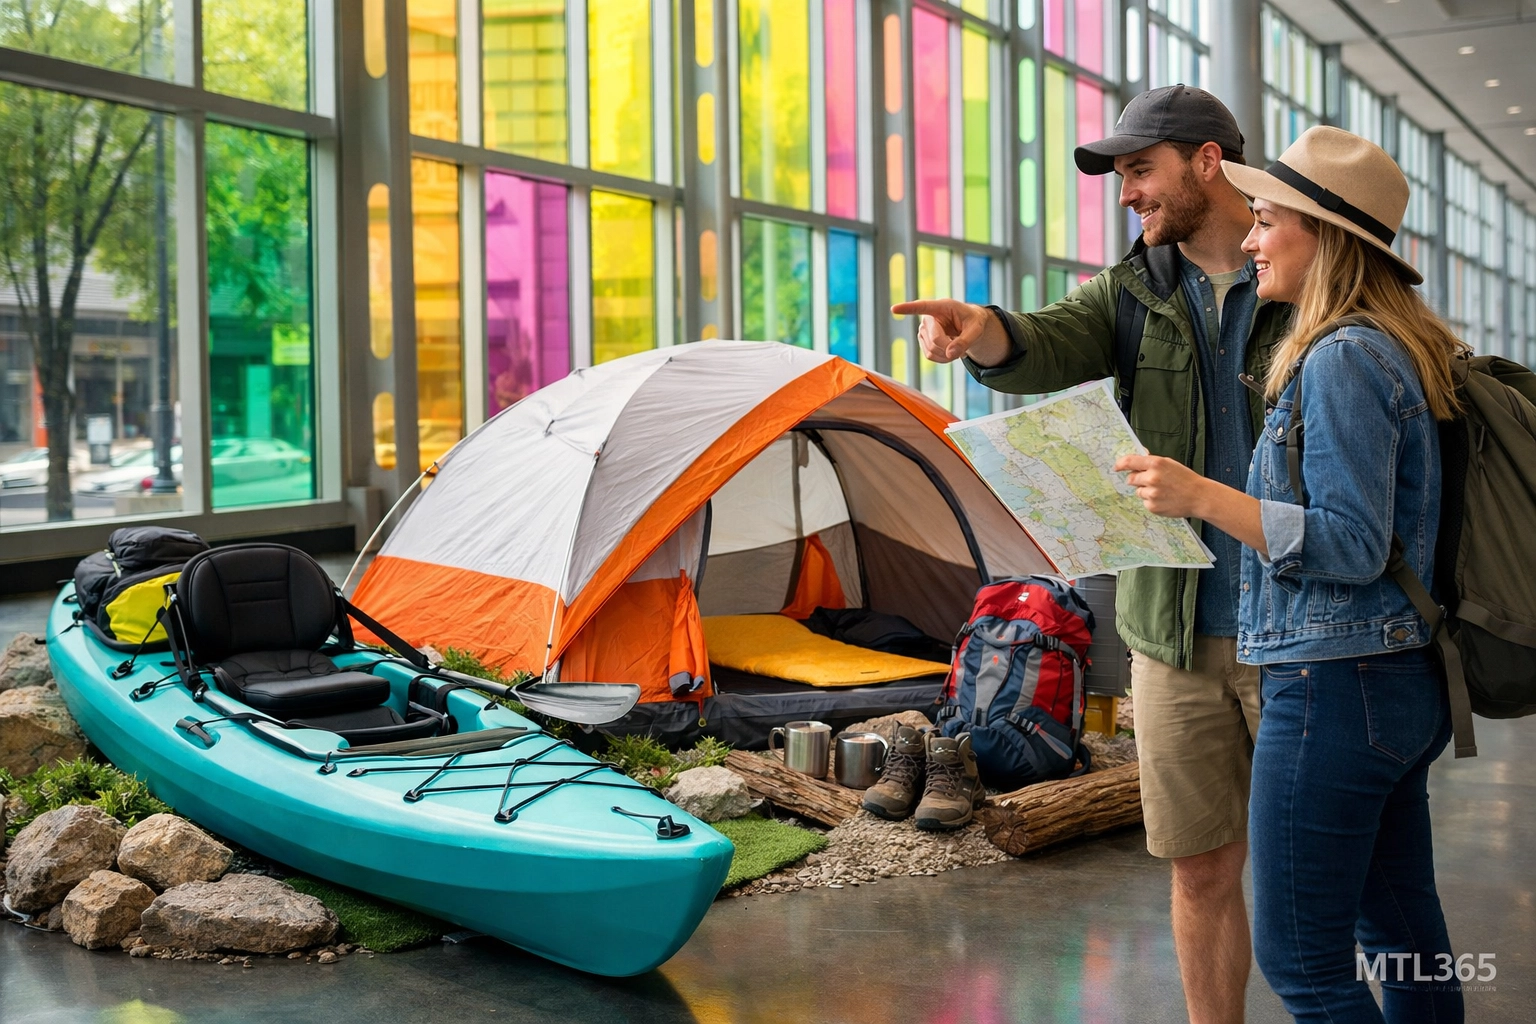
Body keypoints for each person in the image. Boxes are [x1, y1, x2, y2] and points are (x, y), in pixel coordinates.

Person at [893, 85, 1286, 1024]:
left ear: (1208, 162)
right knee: (1200, 871)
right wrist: (980, 329)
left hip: (1300, 633)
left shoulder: (1302, 272)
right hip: (1173, 640)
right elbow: (1041, 342)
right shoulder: (1134, 290)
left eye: (1141, 170)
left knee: (1320, 874)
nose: (1127, 193)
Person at [1117, 125, 1465, 1023]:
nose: (1250, 240)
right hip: (1392, 676)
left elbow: (1351, 543)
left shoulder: (1344, 356)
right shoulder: (1396, 346)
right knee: (1403, 938)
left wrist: (1201, 495)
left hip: (1333, 686)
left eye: (1268, 221)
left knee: (1305, 964)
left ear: (1328, 239)